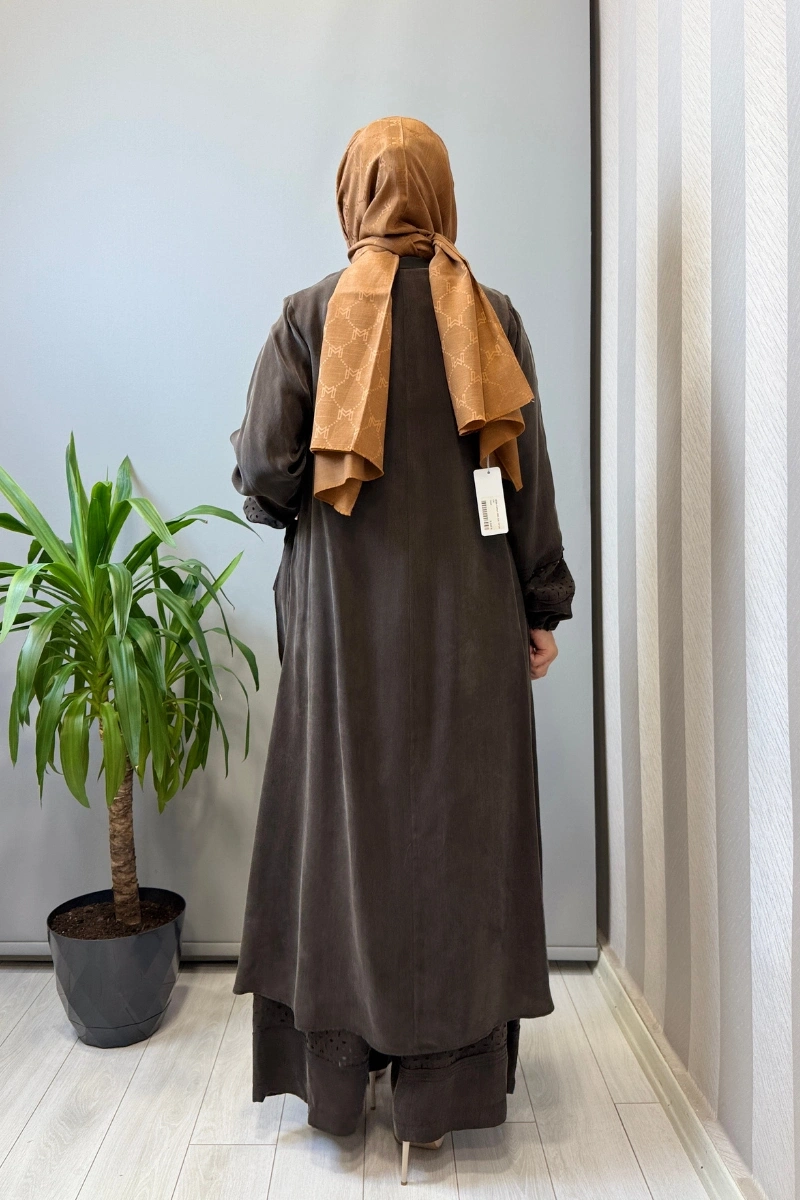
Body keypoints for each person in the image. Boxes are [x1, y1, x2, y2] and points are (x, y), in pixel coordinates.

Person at [229, 116, 575, 1156]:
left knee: (343, 832)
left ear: (355, 195)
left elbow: (267, 471)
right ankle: (442, 1091)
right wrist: (539, 605)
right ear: (439, 192)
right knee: (458, 834)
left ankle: (341, 1081)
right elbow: (523, 479)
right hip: (469, 626)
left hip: (342, 635)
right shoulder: (492, 316)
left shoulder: (309, 316)